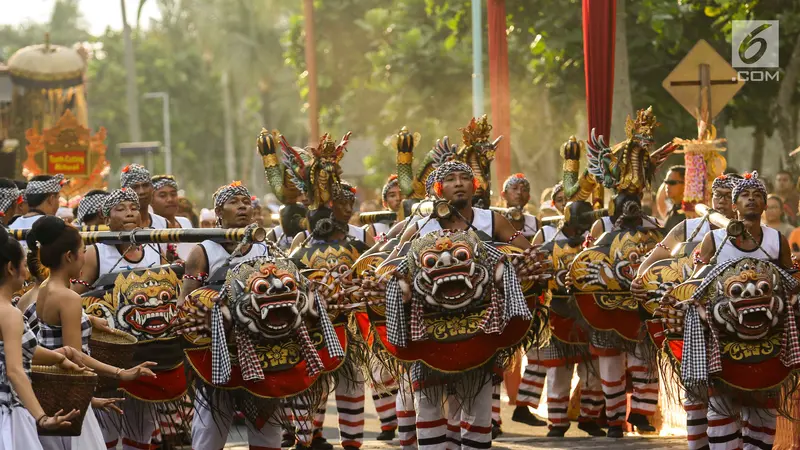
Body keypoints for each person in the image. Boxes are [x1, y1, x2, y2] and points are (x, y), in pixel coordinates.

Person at [389, 161, 534, 449]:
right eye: (451, 179)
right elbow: (391, 263)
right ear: (439, 189)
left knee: (478, 407)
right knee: (428, 405)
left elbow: (529, 253)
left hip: (480, 329)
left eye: (464, 178)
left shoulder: (494, 221)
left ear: (474, 186)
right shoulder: (421, 224)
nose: (458, 183)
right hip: (427, 331)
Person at [29, 216, 157, 450]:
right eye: (83, 250)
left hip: (49, 393)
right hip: (69, 395)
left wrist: (87, 319)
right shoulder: (69, 298)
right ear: (69, 256)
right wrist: (121, 372)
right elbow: (75, 357)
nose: (85, 257)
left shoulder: (45, 288)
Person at [688, 171, 793, 450]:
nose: (751, 200)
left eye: (757, 195)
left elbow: (791, 283)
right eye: (745, 195)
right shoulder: (714, 239)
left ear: (764, 205)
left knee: (765, 411)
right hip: (722, 337)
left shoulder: (777, 240)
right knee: (721, 408)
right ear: (734, 205)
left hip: (768, 336)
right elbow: (695, 284)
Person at [0, 225, 88, 449]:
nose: (27, 272)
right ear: (11, 268)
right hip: (8, 414)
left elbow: (18, 348)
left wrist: (59, 356)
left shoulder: (12, 309)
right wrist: (42, 417)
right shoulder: (9, 313)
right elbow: (14, 370)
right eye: (22, 266)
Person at [179, 181, 269, 306]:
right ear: (219, 212)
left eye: (246, 202)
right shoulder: (202, 252)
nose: (242, 206)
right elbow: (185, 302)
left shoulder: (262, 247)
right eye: (233, 202)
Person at [151, 175, 194, 260]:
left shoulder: (185, 222)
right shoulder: (150, 229)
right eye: (163, 195)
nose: (170, 199)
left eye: (173, 194)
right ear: (151, 200)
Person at [119, 164, 167, 229]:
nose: (142, 192)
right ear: (124, 192)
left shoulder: (164, 224)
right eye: (135, 187)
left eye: (145, 185)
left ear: (152, 188)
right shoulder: (119, 224)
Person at [661, 165, 686, 232]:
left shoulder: (690, 214)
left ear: (685, 184)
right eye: (666, 182)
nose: (667, 186)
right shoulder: (671, 211)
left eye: (672, 183)